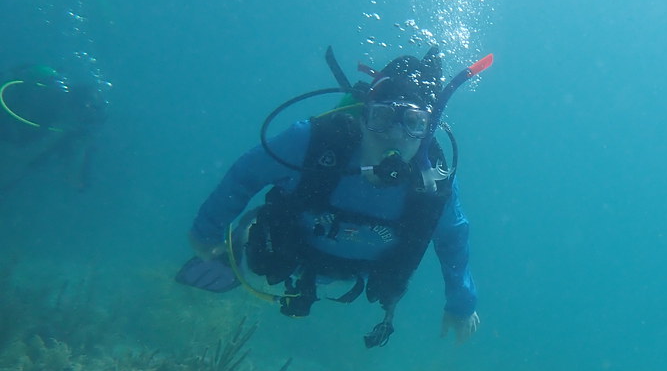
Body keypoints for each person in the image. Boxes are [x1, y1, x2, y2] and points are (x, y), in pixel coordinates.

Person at [177, 47, 487, 348]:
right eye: (382, 118)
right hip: (293, 249)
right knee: (263, 259)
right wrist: (207, 233)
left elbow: (452, 237)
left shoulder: (434, 182)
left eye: (414, 124)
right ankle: (241, 243)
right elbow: (246, 174)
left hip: (359, 270)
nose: (395, 136)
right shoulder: (313, 142)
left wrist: (462, 302)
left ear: (428, 130)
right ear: (362, 118)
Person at [0, 64, 108, 192]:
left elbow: (76, 182)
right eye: (80, 112)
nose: (79, 120)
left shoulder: (74, 133)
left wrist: (81, 149)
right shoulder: (38, 103)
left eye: (86, 119)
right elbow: (13, 156)